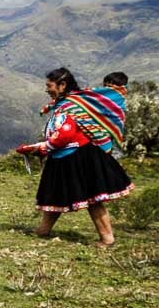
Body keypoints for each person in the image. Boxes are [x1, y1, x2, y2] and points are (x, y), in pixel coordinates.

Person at [17, 67, 133, 246]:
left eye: (49, 86)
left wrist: (42, 147)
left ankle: (107, 238)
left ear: (62, 85)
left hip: (79, 158)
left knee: (93, 199)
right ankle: (43, 230)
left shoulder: (70, 106)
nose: (46, 89)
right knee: (55, 194)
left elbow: (65, 134)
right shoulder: (65, 104)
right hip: (65, 156)